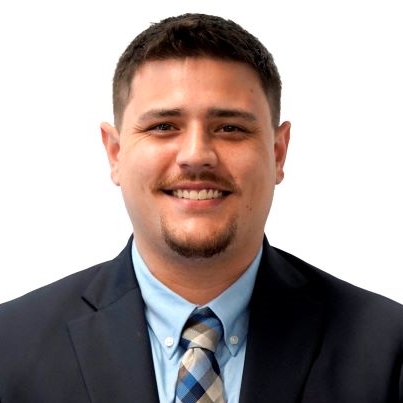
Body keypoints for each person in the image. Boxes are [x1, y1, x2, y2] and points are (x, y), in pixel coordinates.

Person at [0, 12, 402, 403]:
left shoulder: (388, 349)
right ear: (115, 153)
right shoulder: (10, 347)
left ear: (278, 153)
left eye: (230, 128)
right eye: (163, 126)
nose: (196, 156)